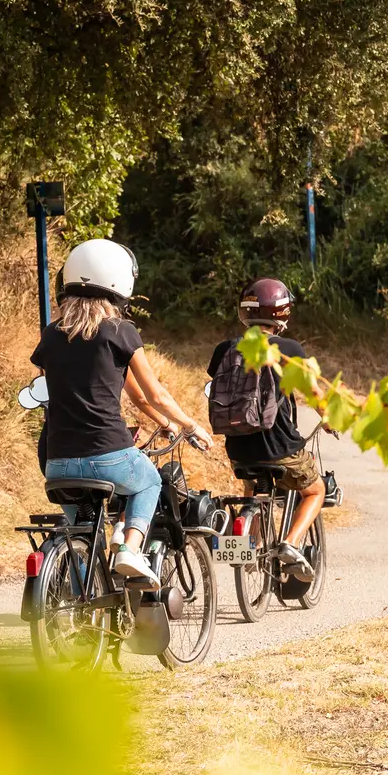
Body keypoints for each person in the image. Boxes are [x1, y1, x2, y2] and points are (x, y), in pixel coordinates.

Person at [32, 238, 209, 584]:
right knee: (150, 482)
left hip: (57, 463)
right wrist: (189, 425)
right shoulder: (120, 332)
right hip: (107, 455)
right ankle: (129, 548)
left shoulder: (51, 335)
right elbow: (154, 394)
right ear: (119, 285)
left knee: (84, 534)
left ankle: (85, 594)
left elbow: (49, 393)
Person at [207, 277, 322, 579]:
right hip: (278, 446)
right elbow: (314, 395)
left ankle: (248, 546)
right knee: (315, 491)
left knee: (254, 489)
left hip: (238, 448)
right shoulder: (289, 348)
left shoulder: (224, 349)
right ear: (281, 313)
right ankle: (290, 543)